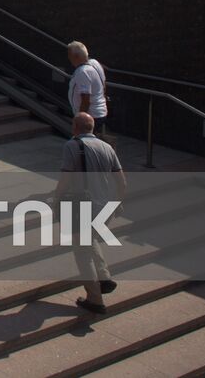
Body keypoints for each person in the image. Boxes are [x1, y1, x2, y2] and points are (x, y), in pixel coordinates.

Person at [51, 112, 125, 315]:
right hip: (105, 206)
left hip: (83, 205)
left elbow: (66, 179)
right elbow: (121, 181)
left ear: (75, 127)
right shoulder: (107, 147)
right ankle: (104, 277)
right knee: (89, 238)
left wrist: (56, 199)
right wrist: (118, 203)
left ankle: (95, 298)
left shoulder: (72, 146)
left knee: (82, 252)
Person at [67, 41, 109, 136]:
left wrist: (79, 120)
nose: (69, 58)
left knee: (83, 144)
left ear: (76, 56)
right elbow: (104, 84)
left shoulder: (82, 72)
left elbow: (85, 99)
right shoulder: (95, 63)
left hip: (90, 116)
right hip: (99, 112)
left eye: (69, 55)